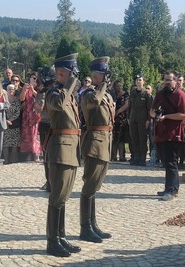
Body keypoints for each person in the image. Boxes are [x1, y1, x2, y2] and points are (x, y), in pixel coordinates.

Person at [45, 53, 81, 257]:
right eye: (71, 71)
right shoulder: (54, 93)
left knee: (64, 197)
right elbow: (58, 105)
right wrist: (69, 85)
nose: (75, 75)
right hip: (59, 151)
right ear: (60, 73)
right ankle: (52, 241)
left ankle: (61, 236)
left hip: (71, 150)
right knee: (56, 197)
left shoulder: (69, 94)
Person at [79, 56, 115, 243]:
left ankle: (93, 224)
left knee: (95, 187)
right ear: (95, 75)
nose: (106, 78)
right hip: (94, 143)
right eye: (103, 74)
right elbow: (93, 103)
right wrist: (101, 87)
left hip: (105, 143)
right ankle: (85, 227)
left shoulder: (106, 95)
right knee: (89, 187)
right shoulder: (88, 93)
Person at [150, 70, 185, 201]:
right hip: (161, 132)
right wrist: (155, 114)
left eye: (170, 80)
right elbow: (151, 111)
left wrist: (166, 116)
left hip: (174, 133)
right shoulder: (160, 94)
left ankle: (172, 191)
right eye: (165, 79)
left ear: (176, 81)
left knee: (171, 162)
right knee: (165, 162)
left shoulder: (181, 95)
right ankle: (169, 187)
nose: (167, 82)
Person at [36, 66, 56, 192]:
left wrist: (39, 97)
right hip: (55, 124)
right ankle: (52, 181)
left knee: (47, 155)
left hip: (46, 125)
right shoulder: (57, 89)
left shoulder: (43, 92)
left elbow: (38, 109)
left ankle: (50, 182)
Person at [127, 73, 152, 166]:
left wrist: (148, 120)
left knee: (142, 139)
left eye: (140, 80)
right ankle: (136, 157)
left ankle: (142, 158)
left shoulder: (146, 94)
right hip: (133, 118)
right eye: (137, 80)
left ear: (143, 82)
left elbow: (149, 108)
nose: (138, 82)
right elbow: (129, 106)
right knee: (134, 138)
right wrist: (128, 117)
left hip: (142, 119)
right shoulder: (132, 92)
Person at [19, 72, 41, 161]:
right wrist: (24, 90)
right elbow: (21, 99)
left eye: (36, 78)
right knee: (27, 135)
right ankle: (28, 154)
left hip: (36, 115)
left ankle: (36, 154)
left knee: (35, 135)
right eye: (33, 78)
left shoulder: (39, 88)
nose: (34, 79)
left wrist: (33, 90)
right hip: (27, 114)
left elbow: (40, 98)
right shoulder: (26, 88)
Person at [111, 80, 130, 162]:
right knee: (114, 138)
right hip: (113, 118)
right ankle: (113, 156)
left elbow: (127, 105)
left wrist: (117, 112)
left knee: (121, 138)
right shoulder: (113, 94)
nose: (119, 87)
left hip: (122, 118)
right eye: (117, 85)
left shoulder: (126, 94)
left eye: (120, 85)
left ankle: (122, 156)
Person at [3, 84, 21, 164]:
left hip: (14, 123)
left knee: (14, 143)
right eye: (9, 89)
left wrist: (11, 120)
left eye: (13, 89)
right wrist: (6, 120)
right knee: (5, 144)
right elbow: (1, 110)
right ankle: (6, 160)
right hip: (4, 124)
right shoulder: (3, 99)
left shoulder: (16, 100)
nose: (11, 91)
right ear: (6, 90)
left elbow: (18, 111)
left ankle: (14, 160)